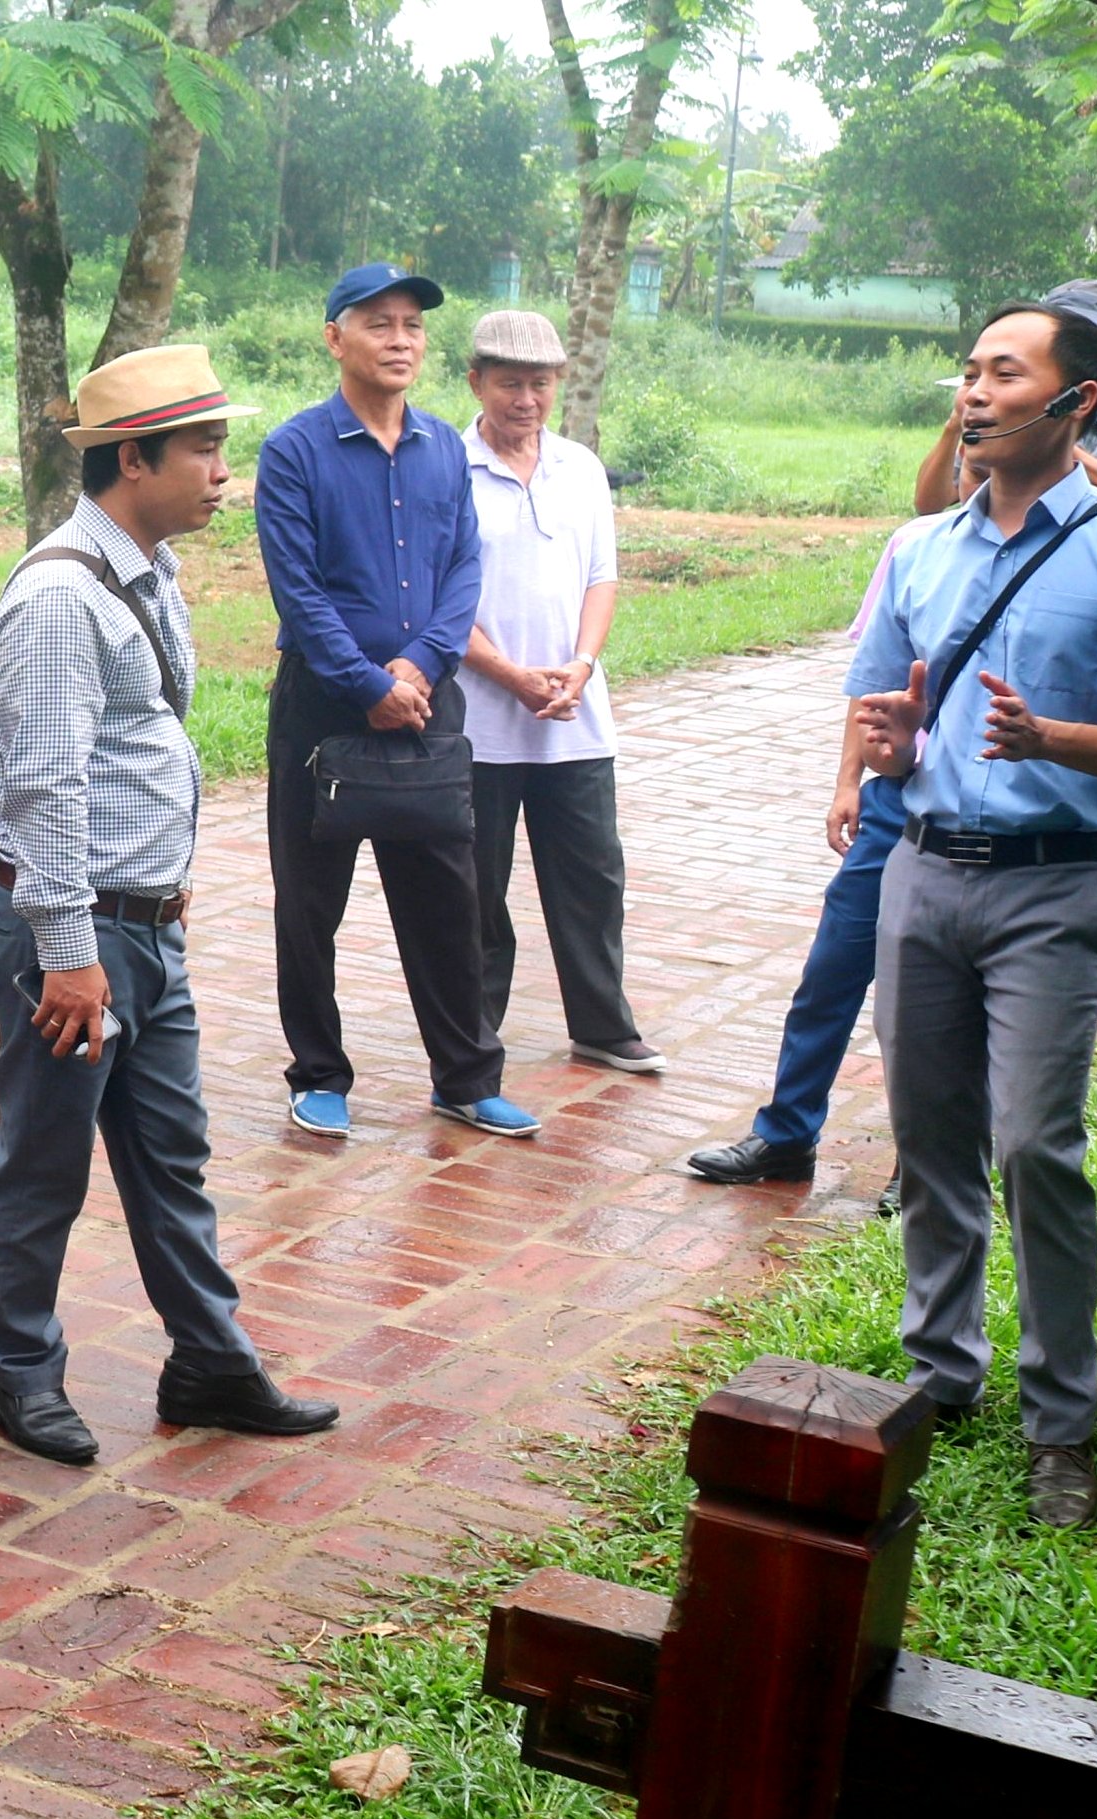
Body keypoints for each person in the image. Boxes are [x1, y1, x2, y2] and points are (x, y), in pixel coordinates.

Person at [847, 301, 1097, 1528]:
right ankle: (939, 1373)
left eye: (1003, 373)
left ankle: (1059, 1422)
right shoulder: (920, 549)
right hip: (921, 872)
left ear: (1076, 401)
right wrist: (891, 749)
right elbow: (888, 721)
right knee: (930, 1139)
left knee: (1033, 1148)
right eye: (967, 370)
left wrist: (1051, 739)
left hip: (1055, 885)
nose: (974, 391)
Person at [0, 346, 340, 1467]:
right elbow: (40, 785)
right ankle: (19, 1374)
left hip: (143, 926)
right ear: (133, 460)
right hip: (76, 931)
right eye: (204, 449)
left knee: (172, 1152)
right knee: (45, 1161)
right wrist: (68, 952)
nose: (224, 472)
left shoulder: (144, 570)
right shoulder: (58, 597)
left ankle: (210, 1362)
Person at [254, 263, 528, 1141]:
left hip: (427, 705)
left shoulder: (445, 447)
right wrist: (368, 684)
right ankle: (319, 1073)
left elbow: (464, 565)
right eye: (379, 323)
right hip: (324, 709)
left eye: (413, 324)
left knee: (448, 895)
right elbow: (299, 590)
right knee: (309, 902)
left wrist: (421, 666)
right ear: (335, 338)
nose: (401, 340)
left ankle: (466, 1077)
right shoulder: (294, 451)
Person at [685, 493, 968, 1191]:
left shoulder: (1064, 550)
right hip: (896, 801)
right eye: (966, 450)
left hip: (977, 813)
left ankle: (922, 1161)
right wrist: (849, 781)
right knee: (832, 970)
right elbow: (874, 686)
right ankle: (786, 1135)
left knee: (934, 1001)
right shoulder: (917, 544)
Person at [455, 309, 662, 1078]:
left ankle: (602, 1025)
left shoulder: (580, 468)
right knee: (476, 888)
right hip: (478, 721)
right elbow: (439, 600)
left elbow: (601, 578)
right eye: (509, 383)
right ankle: (471, 1038)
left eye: (540, 383)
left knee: (591, 878)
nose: (526, 399)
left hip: (574, 718)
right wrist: (510, 675)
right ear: (476, 382)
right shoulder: (446, 469)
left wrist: (581, 663)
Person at [912, 279, 1097, 515]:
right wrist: (955, 424)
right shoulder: (1003, 419)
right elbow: (929, 503)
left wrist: (1045, 442)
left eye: (1079, 340)